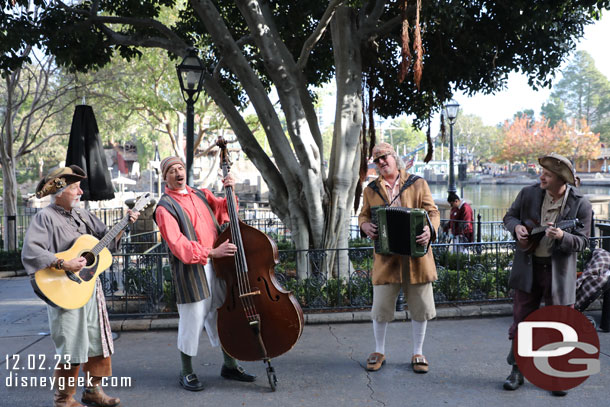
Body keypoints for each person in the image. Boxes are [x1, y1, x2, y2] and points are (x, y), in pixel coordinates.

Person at [21, 165, 139, 407]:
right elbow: (31, 252)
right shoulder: (45, 217)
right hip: (63, 291)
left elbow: (106, 241)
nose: (80, 192)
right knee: (71, 345)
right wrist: (64, 262)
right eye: (75, 188)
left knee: (96, 341)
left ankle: (93, 391)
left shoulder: (83, 215)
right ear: (59, 190)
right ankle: (64, 399)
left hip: (89, 289)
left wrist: (124, 225)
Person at [154, 156, 256, 392]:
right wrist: (212, 252)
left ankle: (229, 365)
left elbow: (223, 211)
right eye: (171, 170)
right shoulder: (164, 207)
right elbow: (178, 245)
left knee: (223, 314)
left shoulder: (200, 194)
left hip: (217, 263)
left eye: (180, 168)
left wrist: (230, 189)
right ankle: (186, 371)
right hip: (192, 268)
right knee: (192, 320)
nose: (178, 173)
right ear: (165, 177)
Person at [502, 153, 591, 396]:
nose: (541, 176)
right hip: (528, 268)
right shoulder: (528, 194)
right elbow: (509, 217)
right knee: (522, 321)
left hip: (558, 273)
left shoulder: (580, 204)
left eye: (547, 175)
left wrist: (563, 237)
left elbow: (583, 242)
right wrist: (516, 227)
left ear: (560, 180)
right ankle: (517, 370)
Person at [358, 143, 440, 374]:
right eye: (377, 160)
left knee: (420, 306)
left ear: (395, 158)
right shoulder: (370, 189)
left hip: (417, 256)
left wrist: (429, 230)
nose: (382, 162)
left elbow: (432, 212)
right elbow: (363, 215)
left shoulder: (418, 183)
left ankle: (418, 352)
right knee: (381, 307)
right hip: (386, 257)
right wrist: (365, 225)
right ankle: (379, 350)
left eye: (385, 157)